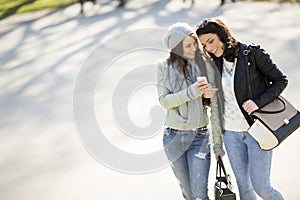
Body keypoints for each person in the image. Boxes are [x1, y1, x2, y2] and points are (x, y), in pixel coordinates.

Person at [195, 18, 287, 200]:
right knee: (244, 188)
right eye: (204, 45)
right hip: (230, 134)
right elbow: (215, 103)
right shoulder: (213, 65)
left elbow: (280, 80)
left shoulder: (252, 54)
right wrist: (206, 97)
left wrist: (258, 103)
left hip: (257, 130)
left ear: (222, 34)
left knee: (262, 188)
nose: (209, 48)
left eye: (211, 41)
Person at [157, 22, 225, 200]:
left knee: (200, 195)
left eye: (195, 43)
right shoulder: (164, 67)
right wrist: (193, 92)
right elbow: (165, 101)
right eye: (188, 45)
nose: (194, 48)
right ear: (176, 48)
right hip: (172, 138)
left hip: (199, 138)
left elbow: (216, 106)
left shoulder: (205, 65)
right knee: (188, 195)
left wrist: (217, 143)